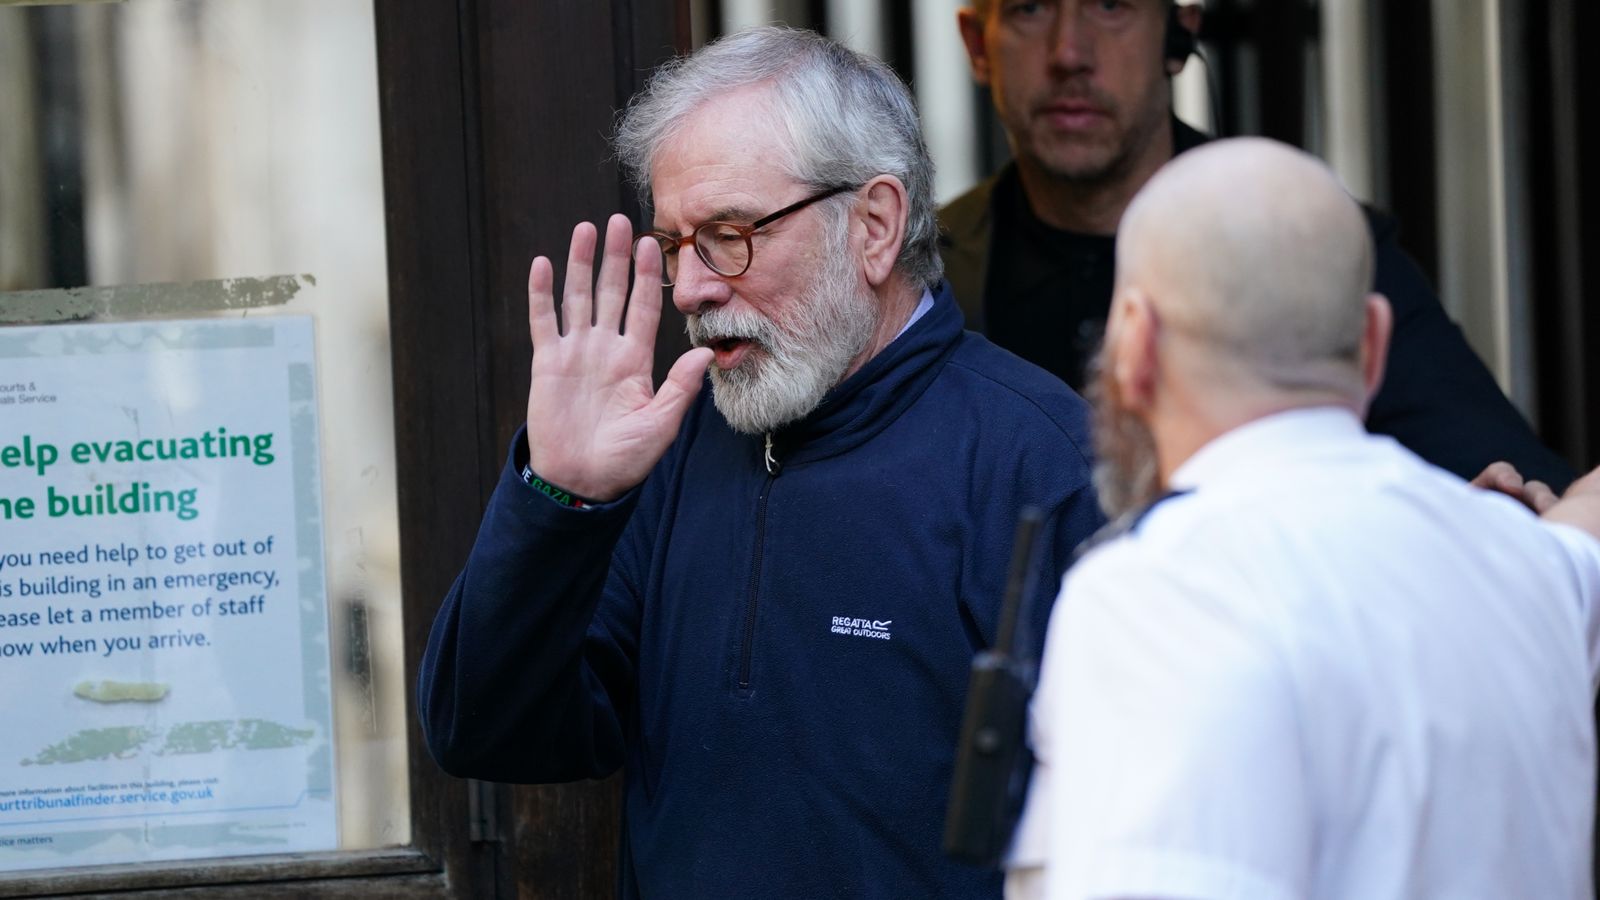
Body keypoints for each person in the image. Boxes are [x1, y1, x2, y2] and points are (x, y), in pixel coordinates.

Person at [416, 26, 1105, 899]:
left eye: (731, 234)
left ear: (875, 225)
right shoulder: (671, 447)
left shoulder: (1042, 465)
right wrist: (561, 497)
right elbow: (484, 732)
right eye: (676, 247)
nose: (696, 288)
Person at [1008, 137, 1600, 900]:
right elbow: (1583, 531)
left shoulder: (1158, 599)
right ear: (1376, 342)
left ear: (1135, 340)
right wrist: (1481, 538)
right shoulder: (1522, 571)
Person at [948, 0, 1575, 490]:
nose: (1069, 52)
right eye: (1029, 7)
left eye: (1111, 6)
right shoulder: (928, 270)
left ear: (1178, 34)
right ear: (978, 45)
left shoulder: (1308, 242)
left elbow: (1505, 478)